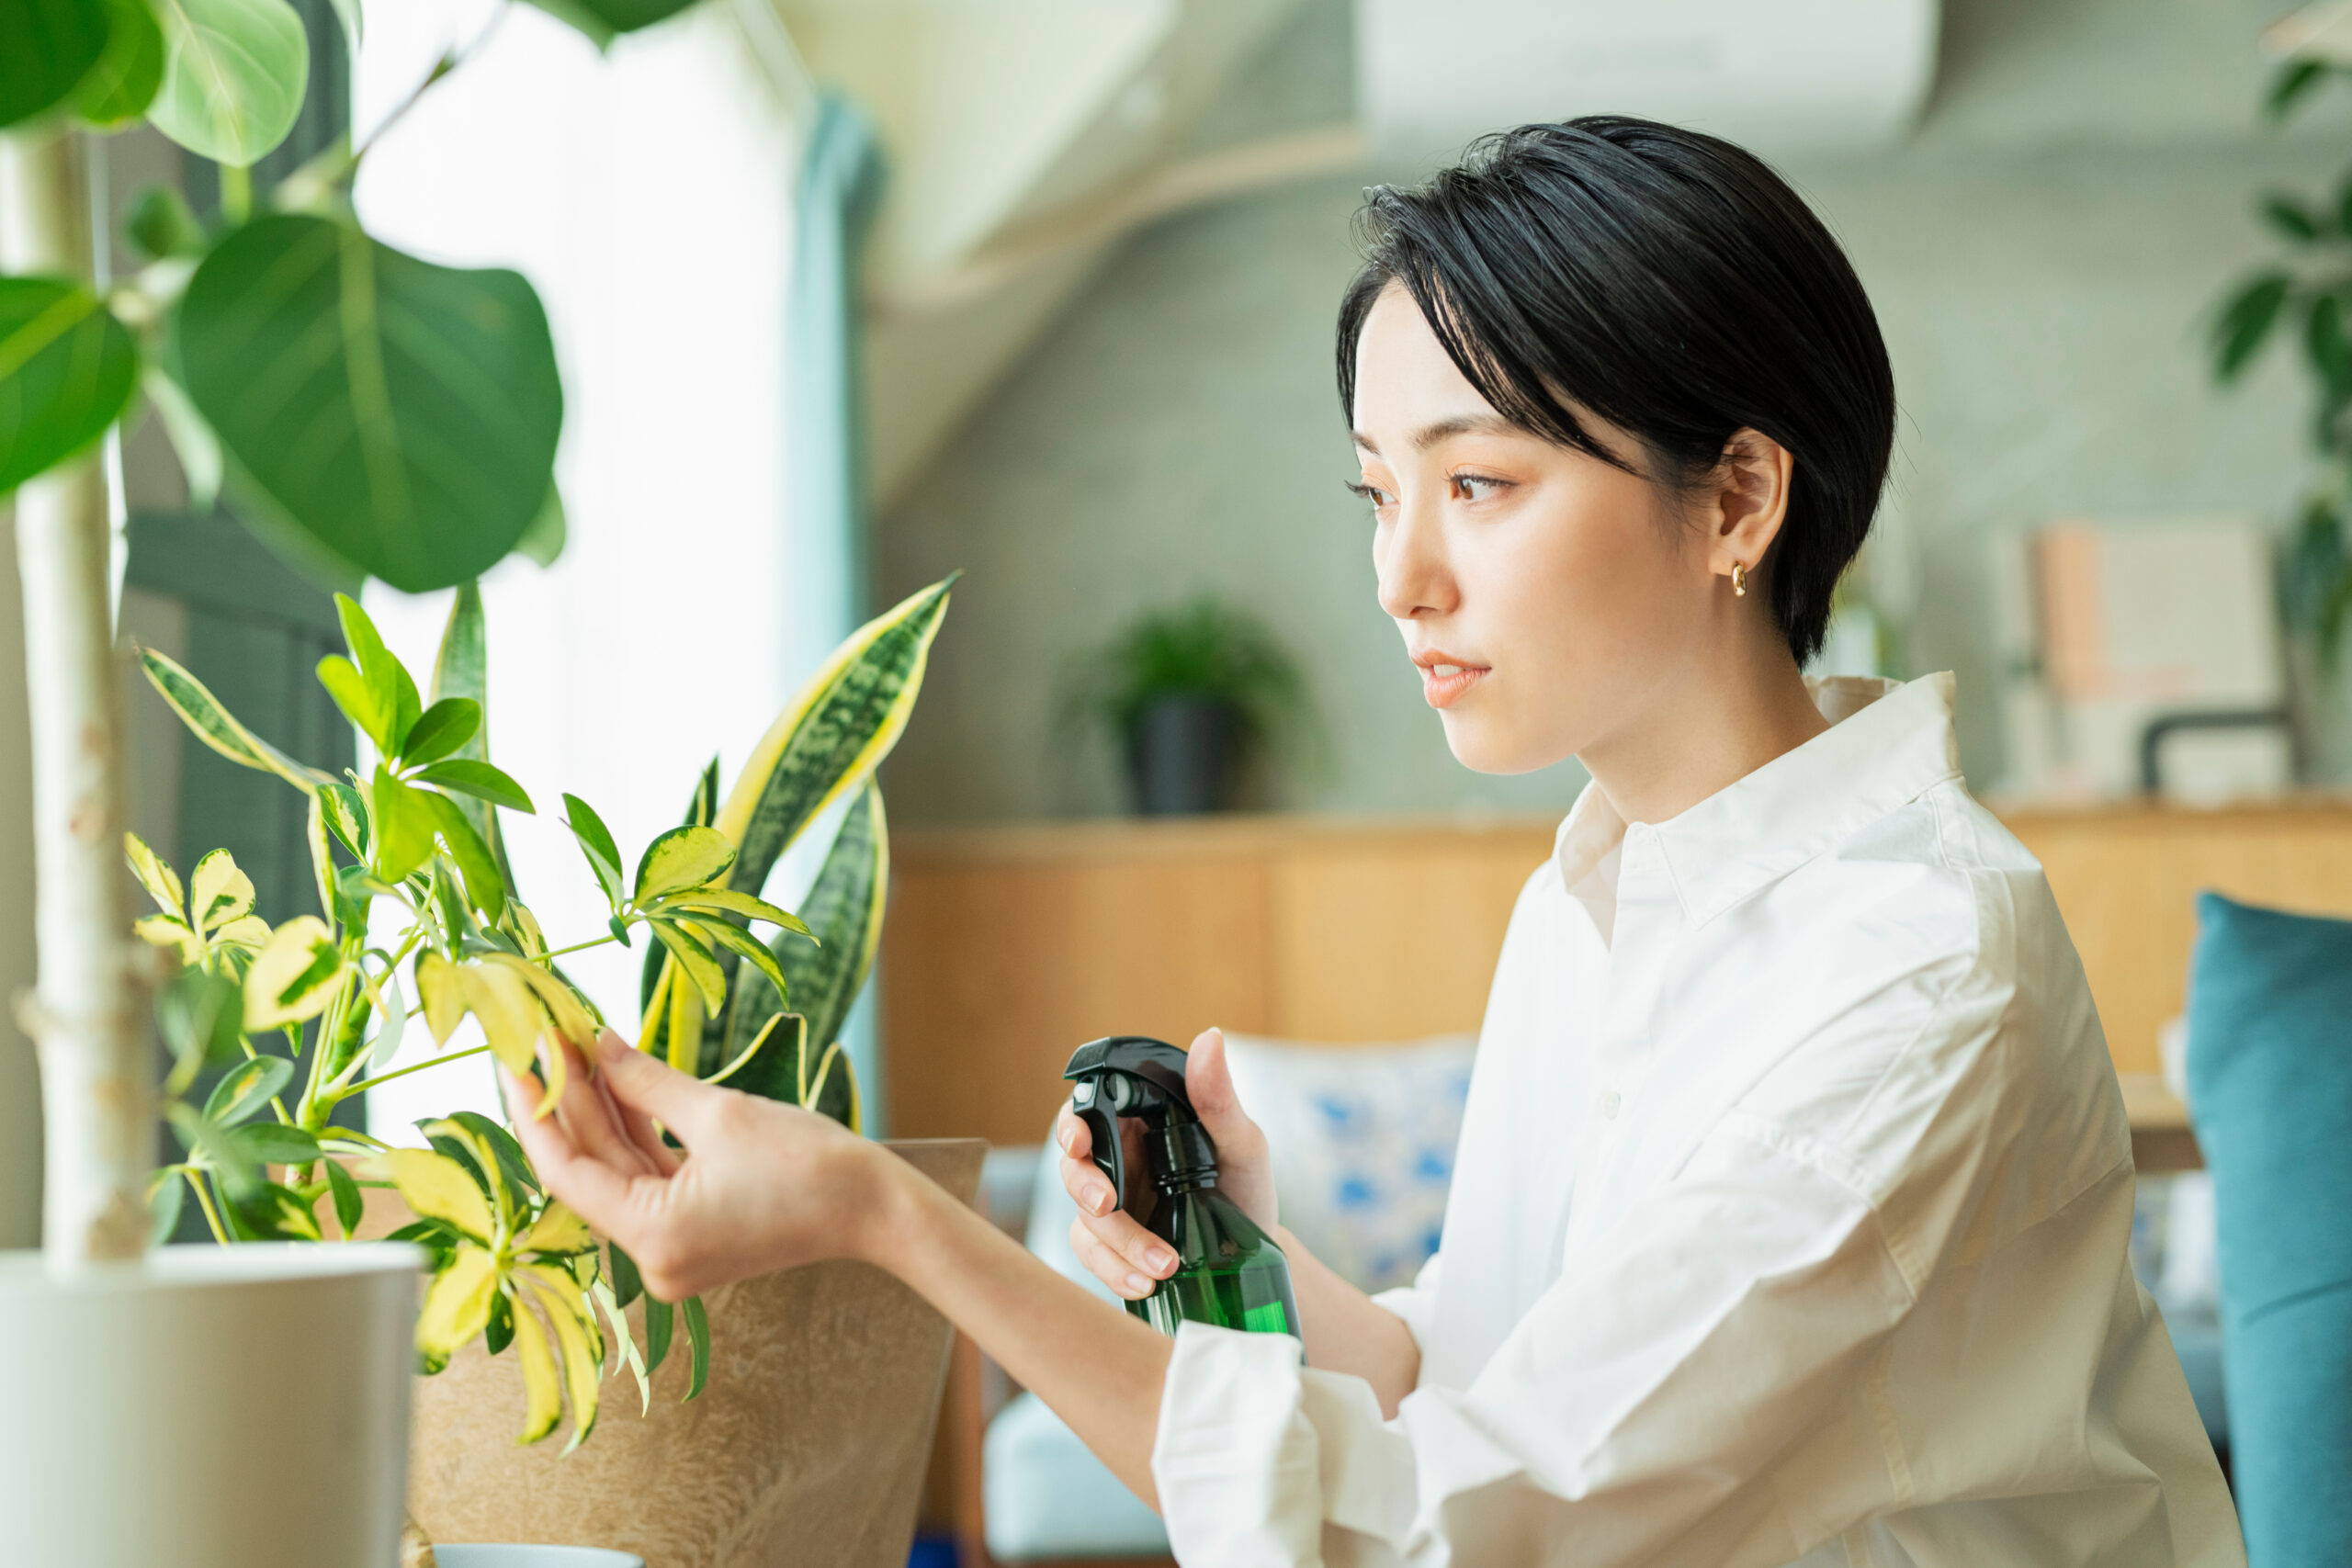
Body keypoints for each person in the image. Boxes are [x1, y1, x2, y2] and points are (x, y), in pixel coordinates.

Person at [508, 117, 2245, 1566]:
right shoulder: (1598, 895)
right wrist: (1239, 1275)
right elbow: (1461, 1385)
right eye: (1375, 492)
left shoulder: (1917, 971)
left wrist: (889, 1220)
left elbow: (1436, 1535)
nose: (1400, 576)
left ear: (1736, 499)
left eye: (1479, 483)